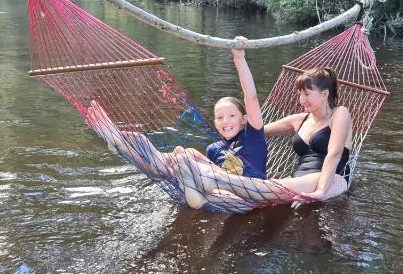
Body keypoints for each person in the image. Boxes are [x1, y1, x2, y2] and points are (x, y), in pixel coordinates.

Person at [85, 37, 267, 210]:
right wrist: (186, 160)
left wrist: (239, 57)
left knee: (189, 161)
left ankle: (196, 195)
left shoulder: (253, 135)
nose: (225, 121)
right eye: (220, 118)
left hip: (250, 194)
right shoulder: (214, 148)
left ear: (244, 119)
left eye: (231, 116)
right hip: (219, 187)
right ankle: (120, 143)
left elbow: (250, 96)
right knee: (180, 157)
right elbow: (214, 175)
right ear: (215, 122)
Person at [170, 67, 353, 207]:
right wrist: (234, 122)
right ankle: (185, 169)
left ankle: (209, 178)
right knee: (262, 189)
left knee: (265, 188)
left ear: (325, 94)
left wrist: (320, 191)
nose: (301, 99)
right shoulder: (299, 119)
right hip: (295, 183)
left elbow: (334, 154)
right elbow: (256, 131)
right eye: (299, 93)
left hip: (330, 180)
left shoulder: (340, 114)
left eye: (306, 94)